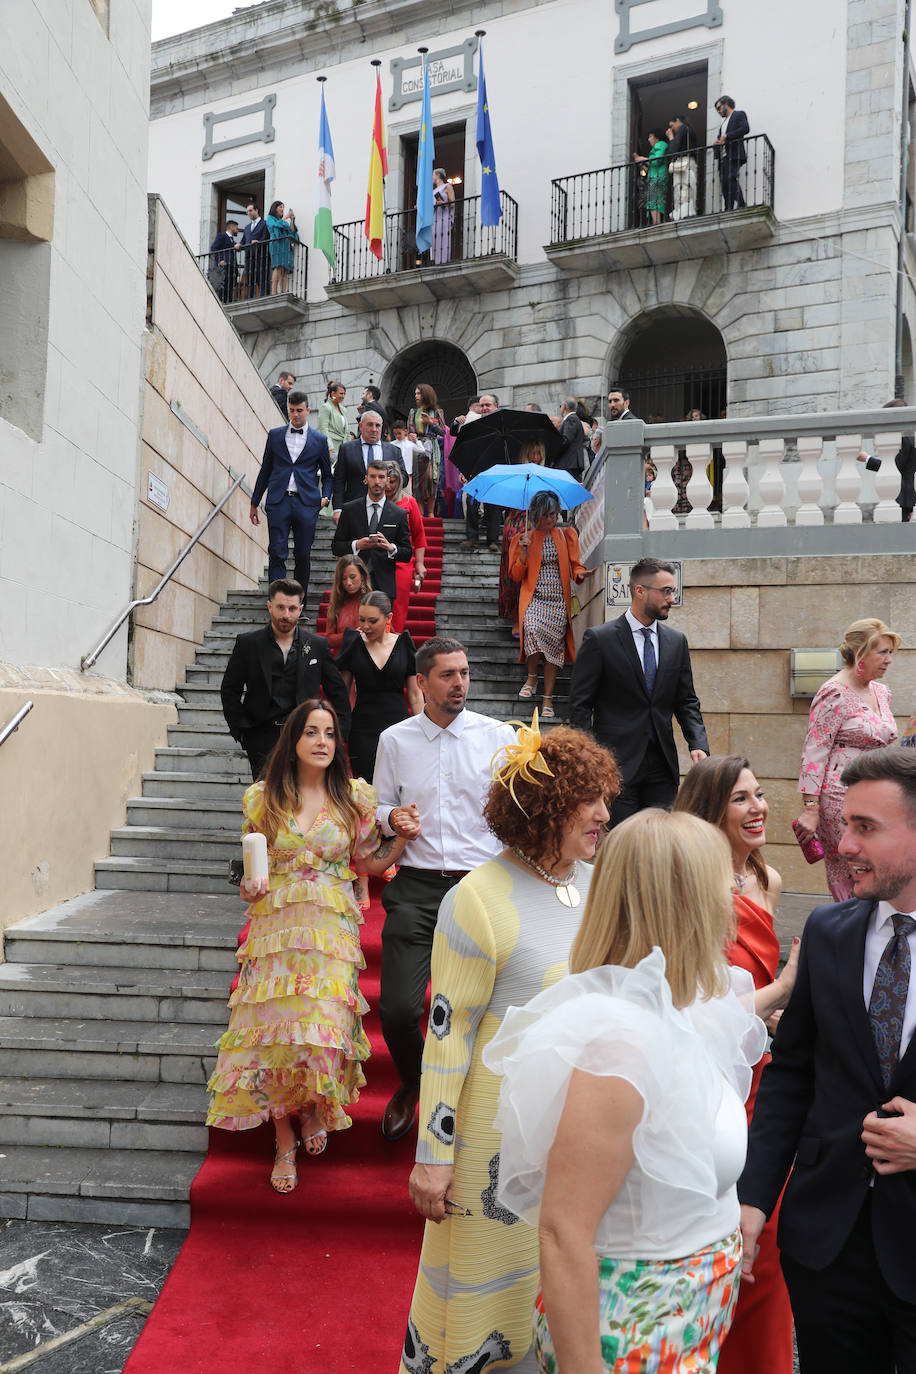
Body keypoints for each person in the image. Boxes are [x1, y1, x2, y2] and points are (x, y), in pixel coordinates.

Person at [483, 808, 767, 1374]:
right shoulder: (619, 1046)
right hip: (632, 1330)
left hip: (688, 1318)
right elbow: (563, 1233)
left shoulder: (684, 1006)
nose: (734, 903)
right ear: (685, 904)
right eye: (723, 887)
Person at [402, 721, 620, 1374]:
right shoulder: (476, 898)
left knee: (559, 1295)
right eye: (589, 801)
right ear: (547, 806)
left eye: (606, 799)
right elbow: (446, 1038)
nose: (605, 815)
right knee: (485, 1306)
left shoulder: (597, 887)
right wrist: (433, 1156)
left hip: (574, 1136)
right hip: (491, 1147)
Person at [740, 746, 916, 1374]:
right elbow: (791, 1075)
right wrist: (753, 1201)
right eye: (845, 825)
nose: (843, 846)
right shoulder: (827, 931)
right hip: (825, 1249)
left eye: (866, 827)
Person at [206, 700, 414, 1192]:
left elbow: (366, 863)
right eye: (312, 732)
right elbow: (250, 873)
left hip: (330, 932)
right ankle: (284, 1135)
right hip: (276, 929)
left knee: (323, 1029)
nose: (322, 742)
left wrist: (402, 841)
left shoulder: (353, 799)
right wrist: (248, 888)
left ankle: (314, 1106)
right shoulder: (262, 799)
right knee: (275, 1035)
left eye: (329, 733)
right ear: (294, 740)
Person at [674, 755, 799, 1374]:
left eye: (760, 795)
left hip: (763, 1073)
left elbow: (755, 992)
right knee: (718, 1224)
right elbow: (695, 1007)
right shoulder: (689, 890)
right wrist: (785, 990)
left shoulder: (767, 879)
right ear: (710, 811)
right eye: (741, 799)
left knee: (767, 1235)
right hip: (710, 1080)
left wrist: (774, 1012)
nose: (758, 809)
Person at [372, 637, 516, 1140]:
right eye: (448, 675)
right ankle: (416, 1084)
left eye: (464, 673)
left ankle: (475, 1095)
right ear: (422, 682)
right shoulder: (394, 741)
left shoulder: (497, 736)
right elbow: (378, 806)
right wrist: (392, 816)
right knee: (398, 1010)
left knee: (484, 1008)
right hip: (415, 886)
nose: (460, 683)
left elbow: (515, 811)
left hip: (481, 888)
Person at [568, 556, 708, 825]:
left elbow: (686, 701)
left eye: (673, 591)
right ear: (640, 591)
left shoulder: (676, 642)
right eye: (666, 591)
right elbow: (580, 705)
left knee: (661, 844)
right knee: (621, 844)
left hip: (663, 768)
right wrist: (587, 758)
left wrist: (698, 743)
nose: (671, 599)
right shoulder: (600, 639)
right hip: (616, 767)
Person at [795, 617, 900, 900]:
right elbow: (814, 752)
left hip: (878, 796)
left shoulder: (882, 692)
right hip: (840, 800)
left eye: (891, 652)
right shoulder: (834, 692)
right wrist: (810, 809)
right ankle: (853, 925)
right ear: (860, 653)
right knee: (855, 870)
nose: (889, 660)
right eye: (883, 652)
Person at [220, 578, 351, 780]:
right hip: (261, 736)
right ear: (269, 606)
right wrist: (242, 731)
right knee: (266, 795)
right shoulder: (248, 644)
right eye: (280, 607)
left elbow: (338, 691)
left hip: (304, 734)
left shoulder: (317, 645)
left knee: (303, 792)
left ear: (300, 609)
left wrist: (339, 732)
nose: (286, 615)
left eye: (292, 609)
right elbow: (230, 689)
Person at [510, 491, 589, 720]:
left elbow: (575, 565)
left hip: (558, 601)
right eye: (547, 515)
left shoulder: (566, 535)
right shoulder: (523, 539)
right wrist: (523, 553)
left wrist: (580, 573)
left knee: (554, 651)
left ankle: (547, 698)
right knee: (532, 629)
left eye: (554, 514)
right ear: (536, 515)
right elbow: (515, 575)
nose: (552, 519)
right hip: (534, 598)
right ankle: (532, 677)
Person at [249, 390, 332, 602]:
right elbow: (265, 470)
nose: (295, 415)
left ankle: (298, 603)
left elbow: (328, 475)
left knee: (303, 554)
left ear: (308, 410)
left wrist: (326, 497)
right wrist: (254, 502)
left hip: (307, 503)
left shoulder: (320, 440)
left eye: (299, 410)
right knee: (277, 552)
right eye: (292, 410)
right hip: (279, 501)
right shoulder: (275, 435)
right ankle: (277, 601)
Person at [336, 590, 422, 784]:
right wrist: (340, 728)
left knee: (399, 784)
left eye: (372, 621)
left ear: (388, 618)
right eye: (362, 620)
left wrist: (421, 728)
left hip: (399, 726)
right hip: (362, 729)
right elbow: (342, 692)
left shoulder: (404, 644)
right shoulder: (353, 644)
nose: (365, 626)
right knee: (366, 787)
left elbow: (415, 694)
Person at [331, 458, 412, 605]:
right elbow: (336, 547)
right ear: (366, 479)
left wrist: (391, 548)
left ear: (387, 480)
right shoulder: (349, 509)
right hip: (353, 585)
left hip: (384, 585)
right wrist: (357, 545)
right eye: (373, 476)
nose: (377, 481)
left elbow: (407, 553)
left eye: (381, 477)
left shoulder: (399, 514)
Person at [498, 441, 545, 629]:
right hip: (514, 525)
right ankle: (515, 617)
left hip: (534, 526)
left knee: (532, 574)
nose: (535, 457)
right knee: (513, 573)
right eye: (532, 453)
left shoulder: (544, 477)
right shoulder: (517, 475)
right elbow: (503, 504)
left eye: (538, 453)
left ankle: (528, 615)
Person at [332, 410, 405, 515]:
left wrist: (389, 481)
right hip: (354, 509)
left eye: (377, 425)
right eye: (370, 425)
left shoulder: (394, 451)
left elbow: (403, 478)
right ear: (361, 426)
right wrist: (337, 509)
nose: (374, 429)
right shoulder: (347, 449)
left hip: (386, 509)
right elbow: (339, 481)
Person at [857, 399, 916, 521]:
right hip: (905, 498)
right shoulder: (909, 436)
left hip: (903, 498)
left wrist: (866, 458)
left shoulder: (904, 438)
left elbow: (894, 467)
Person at [384, 461, 426, 633]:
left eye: (392, 482)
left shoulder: (409, 502)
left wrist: (420, 563)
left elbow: (419, 535)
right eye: (385, 481)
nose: (388, 486)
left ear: (399, 481)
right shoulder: (374, 502)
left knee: (398, 608)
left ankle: (393, 641)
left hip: (402, 562)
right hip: (377, 560)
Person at [459, 392, 502, 549]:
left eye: (487, 405)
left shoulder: (502, 425)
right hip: (476, 470)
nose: (484, 408)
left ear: (496, 406)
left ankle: (492, 541)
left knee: (493, 507)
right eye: (482, 405)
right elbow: (468, 449)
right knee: (471, 503)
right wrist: (464, 469)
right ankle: (472, 538)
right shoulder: (474, 425)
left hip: (495, 471)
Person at [409, 384, 447, 519]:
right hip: (418, 447)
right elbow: (411, 430)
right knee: (418, 480)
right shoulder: (413, 412)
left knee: (433, 479)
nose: (416, 396)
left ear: (426, 394)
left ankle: (430, 512)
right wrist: (411, 436)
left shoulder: (437, 412)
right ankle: (420, 513)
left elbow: (443, 432)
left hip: (432, 447)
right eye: (415, 393)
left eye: (419, 393)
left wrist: (431, 422)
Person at [325, 555, 372, 657]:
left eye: (352, 577)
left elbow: (389, 632)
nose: (348, 583)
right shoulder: (336, 604)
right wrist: (350, 635)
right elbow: (328, 639)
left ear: (362, 576)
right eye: (344, 579)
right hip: (343, 660)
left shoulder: (373, 601)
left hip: (369, 659)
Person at [714, 96, 749, 211]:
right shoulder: (723, 125)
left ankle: (741, 203)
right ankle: (728, 207)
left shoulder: (739, 114)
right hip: (724, 156)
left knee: (731, 178)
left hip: (734, 154)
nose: (719, 111)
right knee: (725, 183)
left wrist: (727, 136)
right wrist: (717, 143)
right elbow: (721, 139)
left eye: (719, 108)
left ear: (726, 104)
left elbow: (745, 128)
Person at [633, 128, 669, 224]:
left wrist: (642, 159)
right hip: (656, 176)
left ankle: (656, 223)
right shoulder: (659, 146)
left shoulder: (660, 145)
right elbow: (653, 164)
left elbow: (657, 160)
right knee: (654, 200)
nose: (649, 139)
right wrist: (643, 164)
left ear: (657, 137)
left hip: (657, 177)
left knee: (654, 200)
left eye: (650, 136)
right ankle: (655, 223)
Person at [667, 114, 699, 220]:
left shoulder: (683, 128)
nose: (672, 129)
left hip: (684, 162)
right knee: (688, 188)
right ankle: (686, 211)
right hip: (689, 162)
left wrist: (671, 137)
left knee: (681, 188)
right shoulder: (689, 129)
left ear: (677, 120)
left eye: (672, 126)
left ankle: (682, 212)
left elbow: (673, 150)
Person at [266, 199, 298, 294]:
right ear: (275, 208)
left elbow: (292, 232)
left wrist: (292, 220)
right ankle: (274, 292)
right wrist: (285, 217)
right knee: (278, 266)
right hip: (276, 243)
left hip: (285, 245)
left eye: (283, 207)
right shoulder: (270, 218)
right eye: (280, 207)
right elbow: (274, 226)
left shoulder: (284, 222)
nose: (282, 209)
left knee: (285, 269)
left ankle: (283, 292)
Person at [315, 380, 351, 463]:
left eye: (344, 394)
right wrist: (330, 448)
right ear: (333, 393)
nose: (343, 396)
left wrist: (350, 446)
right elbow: (324, 429)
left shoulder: (343, 409)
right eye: (341, 393)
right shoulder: (325, 407)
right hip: (332, 448)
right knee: (333, 468)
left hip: (344, 447)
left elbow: (347, 431)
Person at [550, 396, 588, 474]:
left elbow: (566, 440)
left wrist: (553, 450)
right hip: (570, 464)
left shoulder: (571, 419)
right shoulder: (573, 419)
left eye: (560, 406)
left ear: (564, 406)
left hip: (568, 463)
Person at [239, 201, 269, 298]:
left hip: (261, 256)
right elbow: (243, 241)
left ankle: (264, 297)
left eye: (250, 210)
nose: (249, 213)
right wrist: (239, 244)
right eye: (247, 211)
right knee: (250, 279)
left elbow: (267, 237)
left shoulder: (264, 224)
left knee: (262, 278)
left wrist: (259, 241)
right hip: (249, 257)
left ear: (256, 210)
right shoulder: (247, 227)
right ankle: (250, 298)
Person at [390, 417, 425, 492]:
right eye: (395, 434)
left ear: (405, 431)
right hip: (395, 474)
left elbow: (422, 450)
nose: (397, 436)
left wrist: (416, 440)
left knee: (408, 494)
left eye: (399, 433)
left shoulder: (410, 444)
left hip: (407, 474)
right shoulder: (392, 444)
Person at [208, 218, 239, 302]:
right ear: (231, 227)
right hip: (224, 267)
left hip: (231, 268)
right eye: (236, 228)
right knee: (223, 288)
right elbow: (213, 248)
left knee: (229, 289)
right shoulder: (221, 236)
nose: (238, 230)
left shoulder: (232, 240)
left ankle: (228, 302)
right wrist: (219, 260)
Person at [431, 167, 455, 265]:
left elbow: (452, 203)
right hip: (435, 218)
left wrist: (443, 203)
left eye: (433, 175)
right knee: (435, 239)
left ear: (438, 175)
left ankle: (444, 261)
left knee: (444, 238)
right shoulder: (433, 191)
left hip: (444, 217)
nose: (432, 178)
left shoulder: (447, 186)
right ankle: (436, 262)